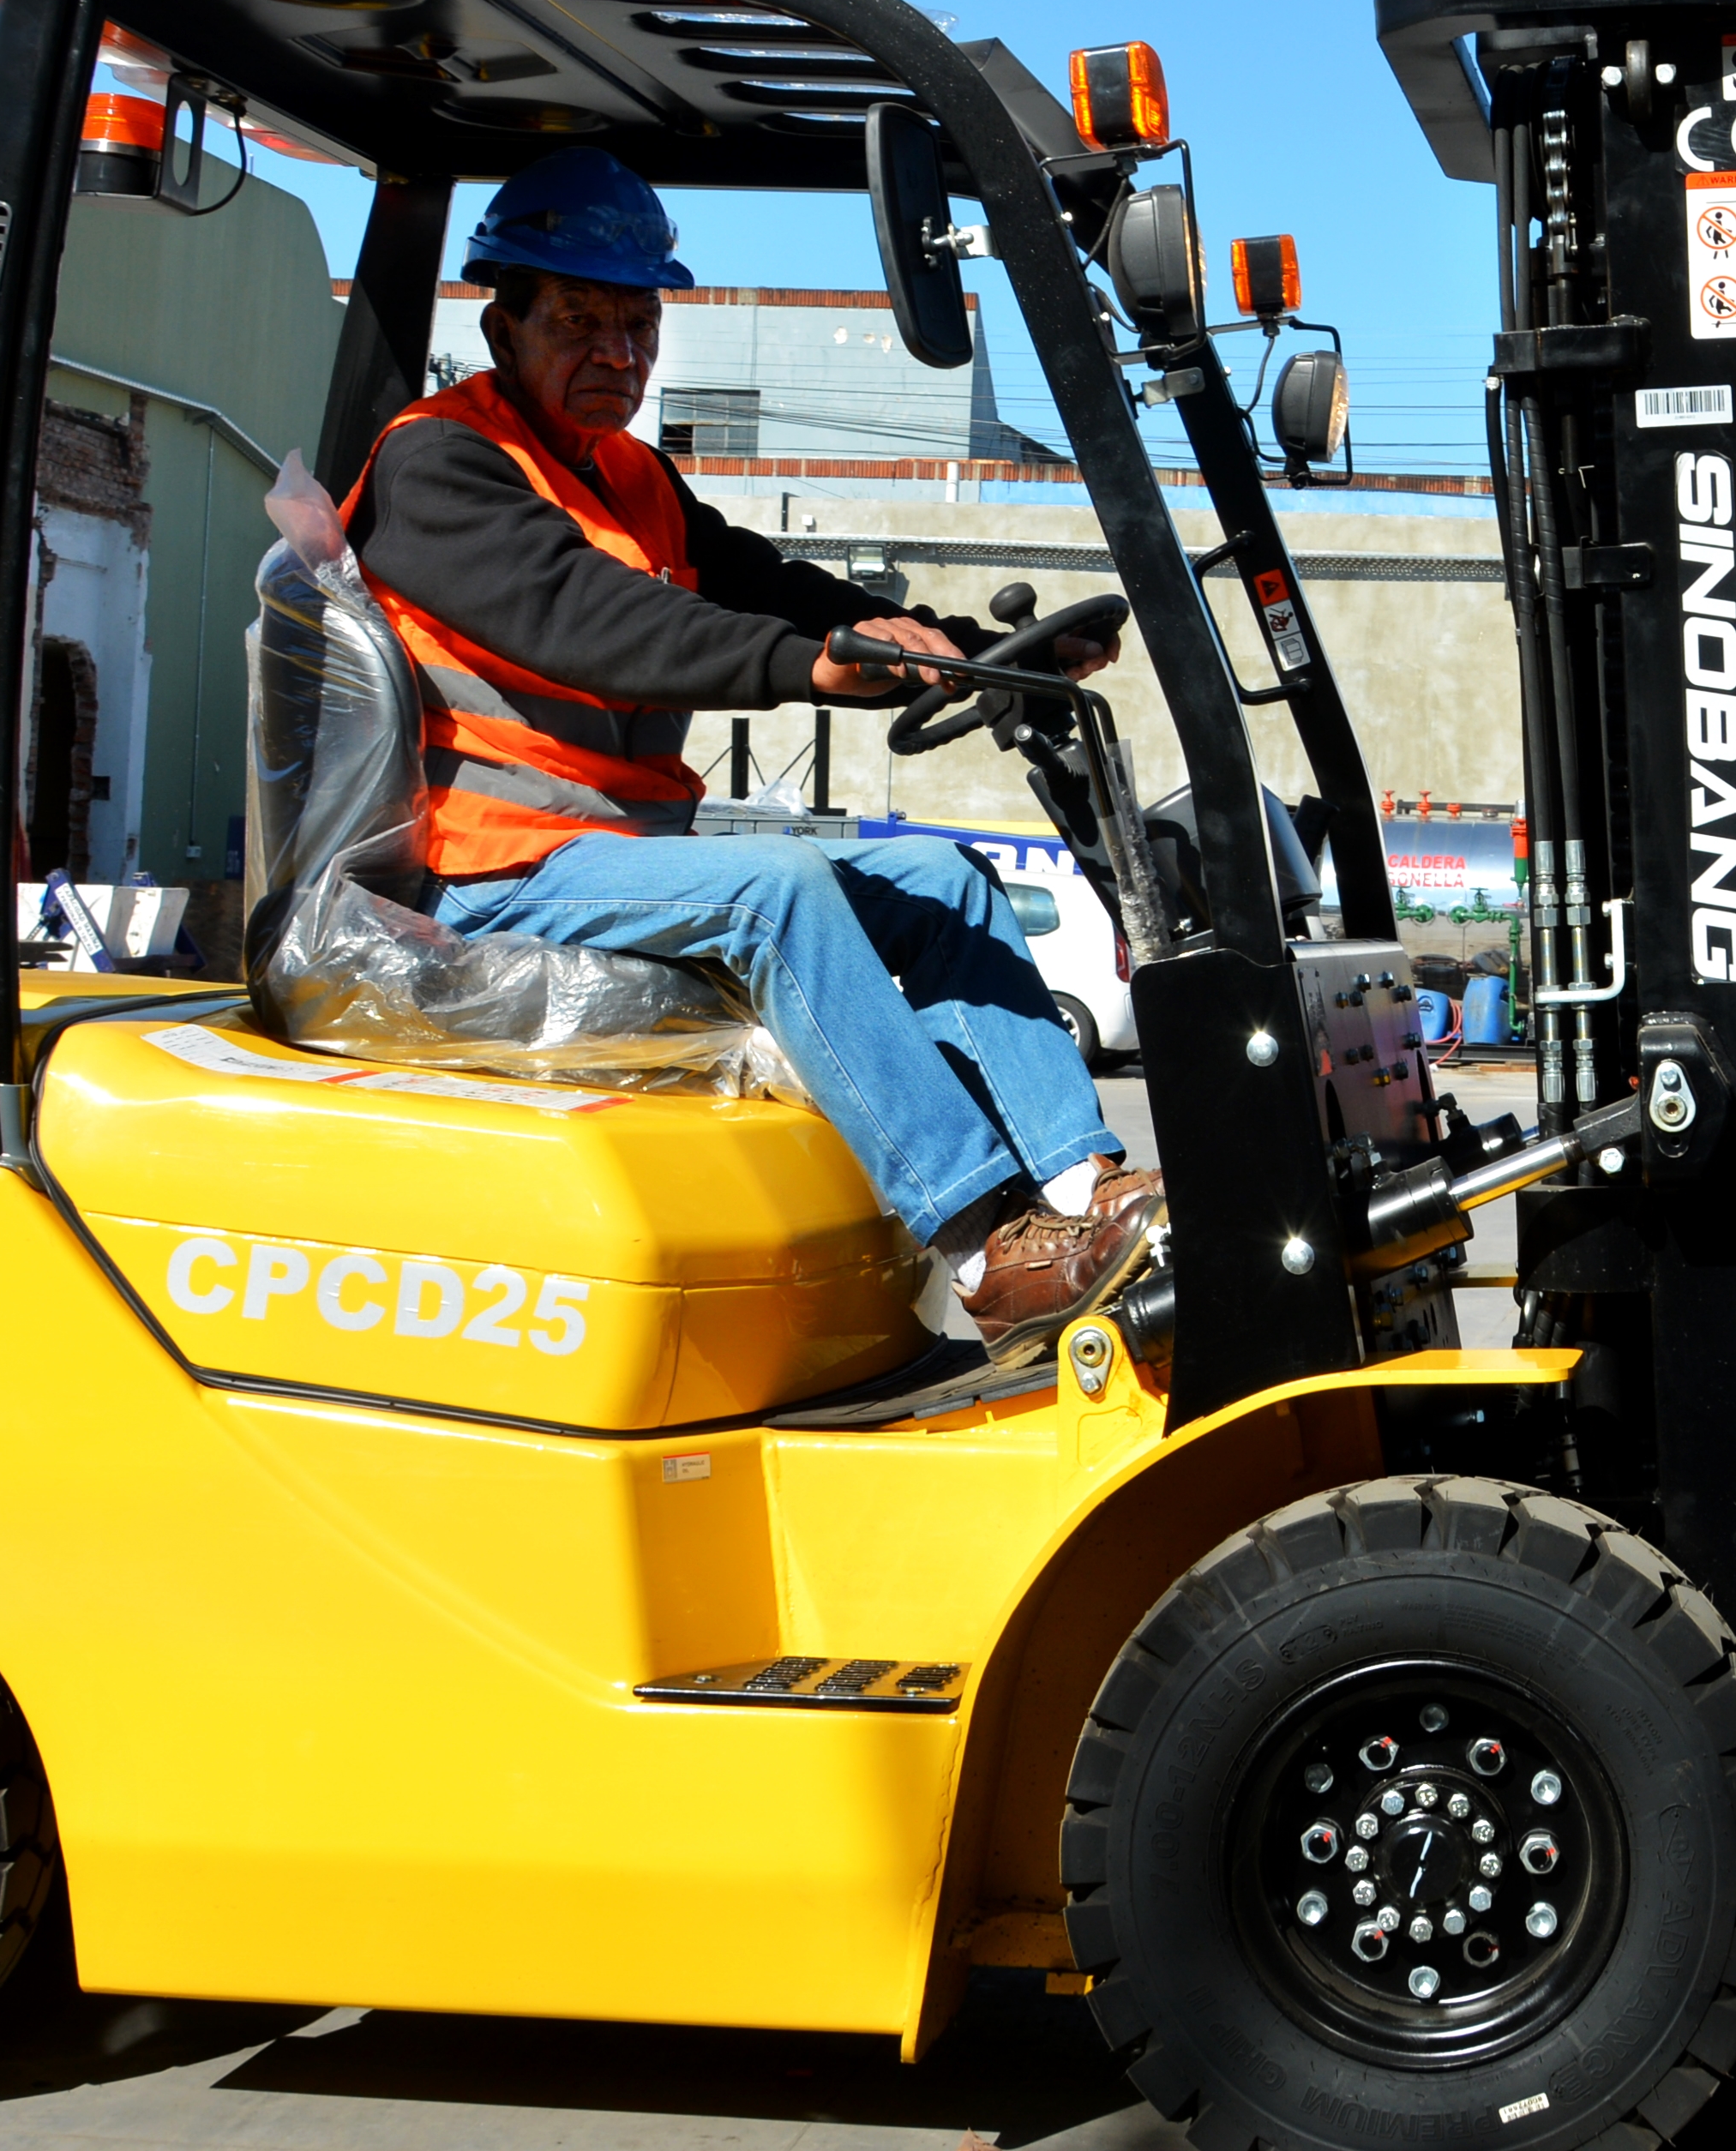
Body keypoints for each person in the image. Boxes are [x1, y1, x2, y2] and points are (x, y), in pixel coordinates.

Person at [341, 151, 1156, 1343]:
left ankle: (1082, 1196)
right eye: (578, 320)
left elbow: (773, 587)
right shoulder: (439, 463)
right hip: (492, 868)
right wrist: (806, 667)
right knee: (774, 894)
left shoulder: (631, 474)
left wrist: (969, 650)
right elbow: (591, 621)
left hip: (618, 846)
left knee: (947, 883)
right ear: (500, 319)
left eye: (637, 321)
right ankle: (985, 1250)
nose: (616, 352)